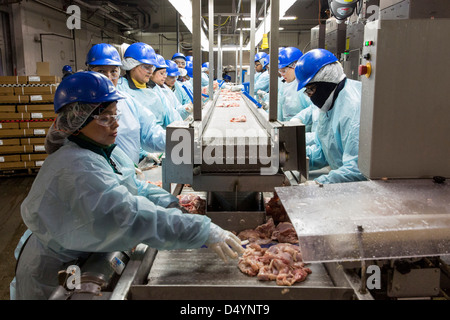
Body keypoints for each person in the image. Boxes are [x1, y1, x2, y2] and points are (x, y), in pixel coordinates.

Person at [10, 71, 244, 300]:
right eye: (104, 118)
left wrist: (171, 203)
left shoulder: (100, 149)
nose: (115, 125)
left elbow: (135, 187)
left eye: (115, 115)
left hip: (81, 251)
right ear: (77, 121)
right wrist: (200, 230)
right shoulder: (78, 168)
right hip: (55, 273)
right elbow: (129, 216)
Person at [295, 48, 367, 184]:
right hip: (343, 184)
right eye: (307, 91)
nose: (310, 96)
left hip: (363, 190)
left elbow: (358, 169)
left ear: (326, 81)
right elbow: (324, 151)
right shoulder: (329, 104)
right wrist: (292, 158)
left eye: (311, 89)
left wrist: (319, 184)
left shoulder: (353, 108)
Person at [85, 43, 165, 165]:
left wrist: (183, 140)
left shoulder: (127, 102)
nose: (108, 78)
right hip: (94, 176)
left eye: (113, 71)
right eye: (101, 71)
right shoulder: (79, 105)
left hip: (128, 175)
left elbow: (151, 133)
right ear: (89, 71)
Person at [117, 42, 183, 129]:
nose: (151, 71)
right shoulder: (120, 88)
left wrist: (182, 130)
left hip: (161, 139)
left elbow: (170, 114)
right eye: (146, 67)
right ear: (132, 65)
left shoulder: (154, 87)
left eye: (152, 67)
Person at [276, 47, 312, 121]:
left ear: (295, 66)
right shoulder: (285, 84)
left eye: (283, 71)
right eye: (280, 71)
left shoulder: (306, 86)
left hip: (303, 129)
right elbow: (280, 104)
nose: (282, 74)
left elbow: (314, 109)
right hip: (287, 127)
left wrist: (299, 119)